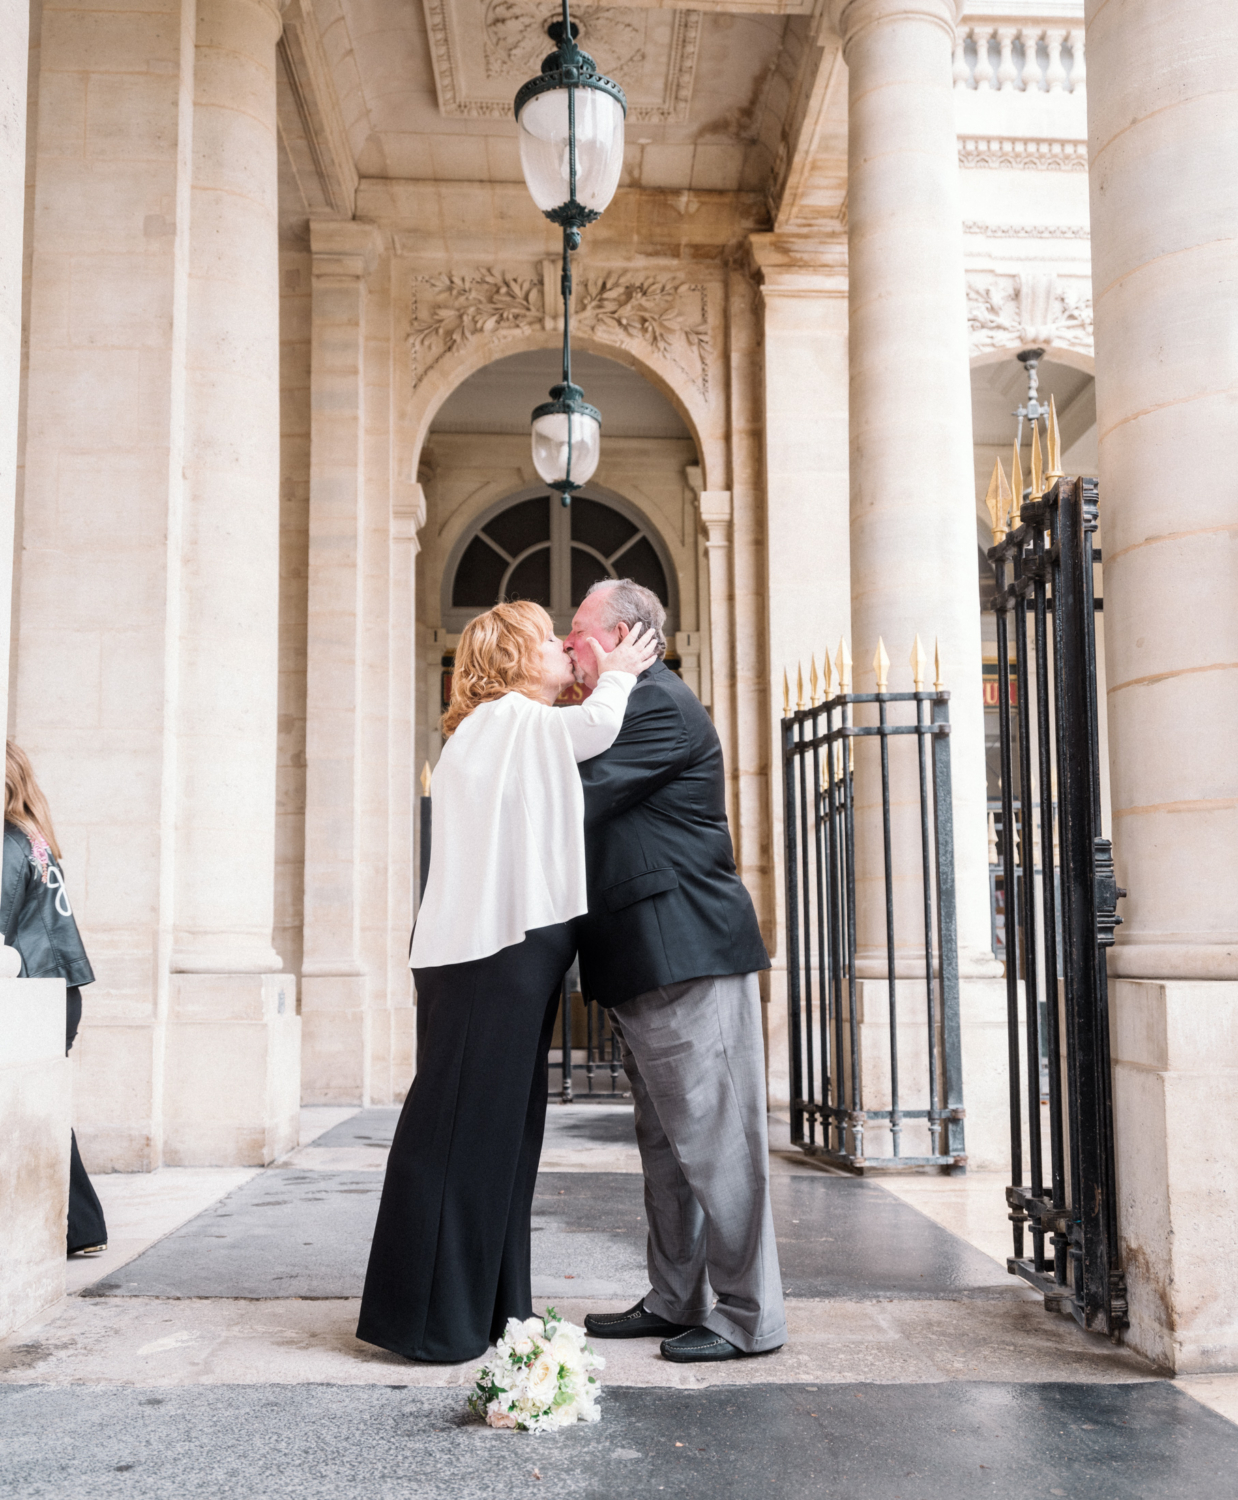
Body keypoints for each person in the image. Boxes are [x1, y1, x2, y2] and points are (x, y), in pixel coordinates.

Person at [357, 599, 657, 1363]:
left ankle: (488, 1309)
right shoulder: (506, 718)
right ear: (517, 657)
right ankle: (434, 1321)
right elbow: (595, 731)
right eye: (549, 637)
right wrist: (619, 673)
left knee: (500, 1138)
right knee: (467, 1134)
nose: (564, 645)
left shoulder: (499, 728)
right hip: (492, 959)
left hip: (500, 957)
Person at [564, 579, 787, 1365]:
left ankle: (750, 1315)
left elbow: (577, 795)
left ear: (626, 638)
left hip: (687, 952)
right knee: (668, 1148)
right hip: (644, 960)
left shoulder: (656, 702)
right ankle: (675, 1298)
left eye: (580, 633)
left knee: (720, 1144)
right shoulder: (626, 703)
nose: (568, 645)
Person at [1, 740, 107, 1256]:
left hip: (37, 992)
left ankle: (79, 1227)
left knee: (36, 1111)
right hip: (57, 989)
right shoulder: (33, 836)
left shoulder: (7, 841)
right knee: (42, 1107)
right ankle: (82, 1228)